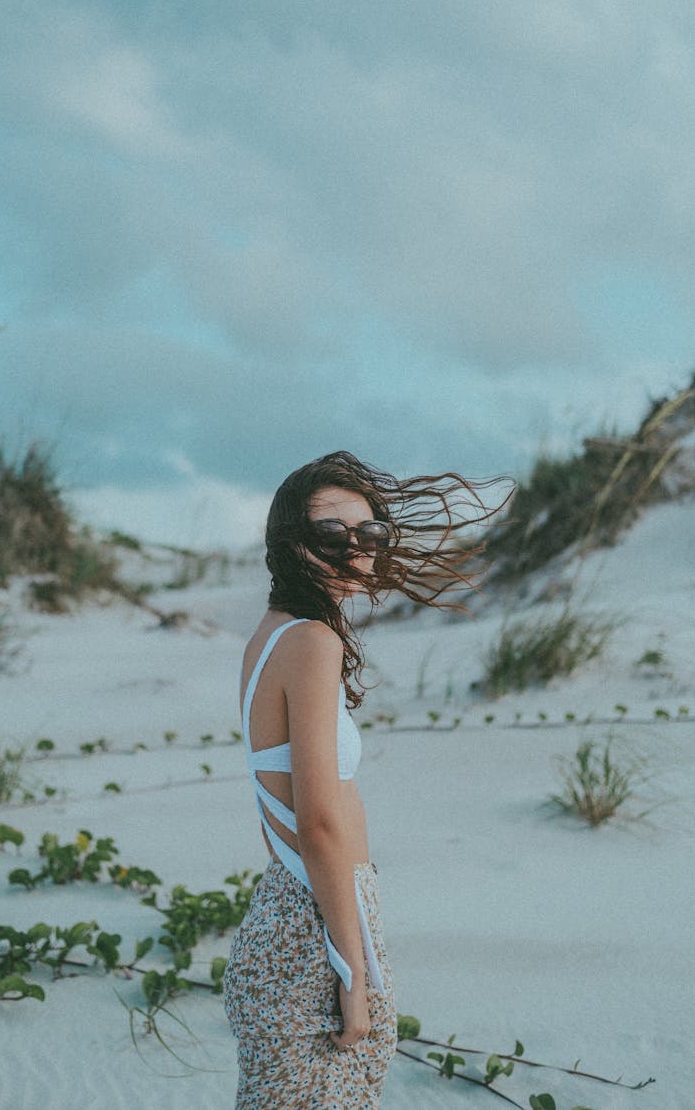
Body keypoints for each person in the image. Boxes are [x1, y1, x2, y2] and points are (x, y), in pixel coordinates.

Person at [223, 450, 501, 1108]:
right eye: (332, 534)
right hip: (315, 933)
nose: (357, 550)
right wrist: (353, 970)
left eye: (370, 534)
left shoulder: (274, 633)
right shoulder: (310, 642)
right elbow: (318, 819)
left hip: (288, 916)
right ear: (291, 542)